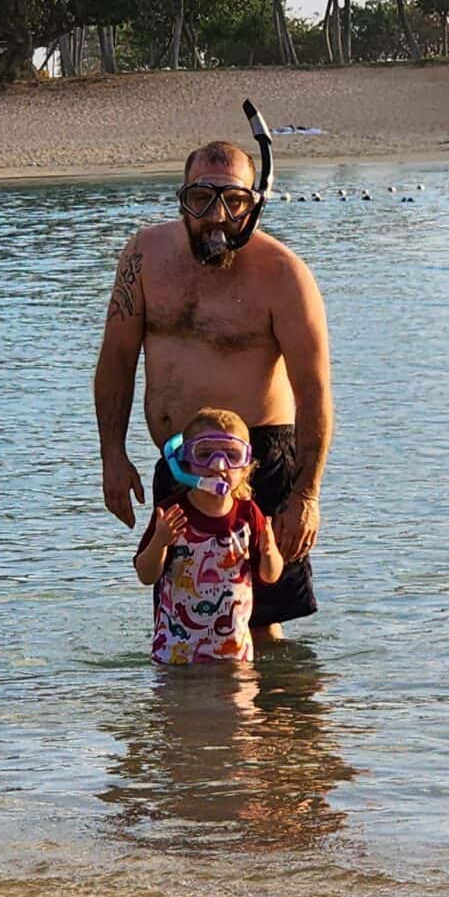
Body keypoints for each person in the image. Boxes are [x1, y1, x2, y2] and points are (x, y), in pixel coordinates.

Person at [95, 139, 331, 642]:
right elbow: (116, 360)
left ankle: (283, 719)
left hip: (258, 466)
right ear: (181, 199)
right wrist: (111, 456)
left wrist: (305, 494)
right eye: (200, 200)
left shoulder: (284, 275)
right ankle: (188, 722)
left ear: (254, 203)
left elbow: (314, 393)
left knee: (259, 625)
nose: (216, 217)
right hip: (179, 464)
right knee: (180, 617)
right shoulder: (144, 256)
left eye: (233, 201)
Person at [135, 408, 286, 666]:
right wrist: (159, 541)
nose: (218, 465)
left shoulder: (249, 514)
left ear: (245, 466)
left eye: (231, 455)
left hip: (234, 655)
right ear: (185, 464)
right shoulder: (173, 514)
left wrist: (271, 552)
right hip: (176, 655)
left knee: (241, 708)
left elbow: (270, 576)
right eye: (204, 455)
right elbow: (146, 575)